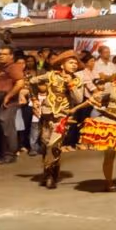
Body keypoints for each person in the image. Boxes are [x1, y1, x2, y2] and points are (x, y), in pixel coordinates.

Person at [27, 51, 83, 188]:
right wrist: (34, 99)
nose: (74, 65)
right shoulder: (51, 75)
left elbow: (78, 99)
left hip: (63, 117)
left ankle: (50, 173)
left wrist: (71, 85)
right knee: (46, 145)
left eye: (76, 63)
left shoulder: (76, 80)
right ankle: (51, 170)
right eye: (71, 62)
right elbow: (31, 82)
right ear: (62, 65)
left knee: (54, 144)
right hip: (46, 114)